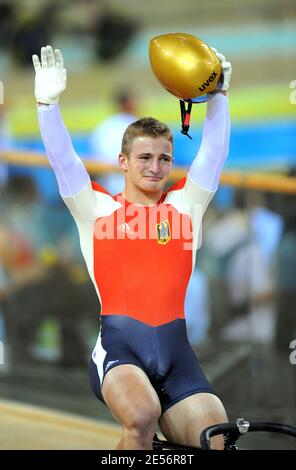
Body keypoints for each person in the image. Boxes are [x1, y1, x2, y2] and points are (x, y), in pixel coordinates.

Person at [32, 44, 232, 450]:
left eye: (164, 158)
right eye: (144, 157)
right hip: (119, 351)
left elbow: (213, 153)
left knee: (218, 441)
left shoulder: (184, 207)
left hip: (177, 356)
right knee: (141, 418)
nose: (155, 167)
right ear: (122, 162)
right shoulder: (96, 209)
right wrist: (46, 105)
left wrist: (219, 97)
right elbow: (64, 162)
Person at [89, 90, 138, 195]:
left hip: (108, 188)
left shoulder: (103, 126)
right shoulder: (136, 124)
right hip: (129, 187)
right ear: (127, 104)